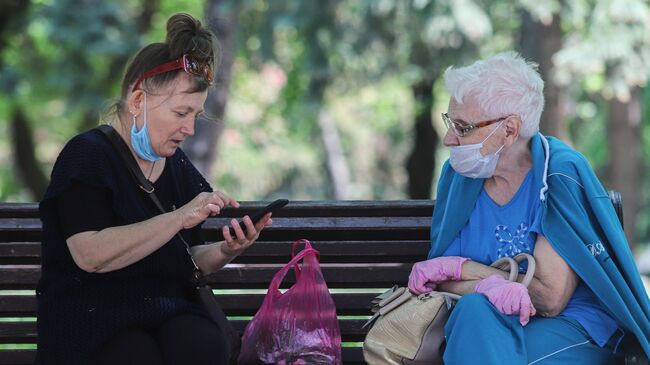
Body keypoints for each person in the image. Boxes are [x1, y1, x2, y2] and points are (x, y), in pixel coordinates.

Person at [35, 13, 271, 365]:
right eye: (180, 113)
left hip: (164, 309)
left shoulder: (175, 165)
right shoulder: (85, 156)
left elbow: (189, 259)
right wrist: (179, 217)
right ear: (137, 102)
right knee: (134, 355)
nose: (189, 129)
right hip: (90, 315)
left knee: (203, 345)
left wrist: (226, 250)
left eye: (196, 116)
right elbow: (89, 254)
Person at [408, 52, 650, 364]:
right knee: (474, 312)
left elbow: (549, 299)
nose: (448, 139)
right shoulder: (459, 177)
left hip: (568, 325)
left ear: (509, 130)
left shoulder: (557, 173)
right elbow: (439, 280)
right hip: (485, 320)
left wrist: (467, 270)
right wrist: (489, 285)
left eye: (462, 127)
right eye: (449, 122)